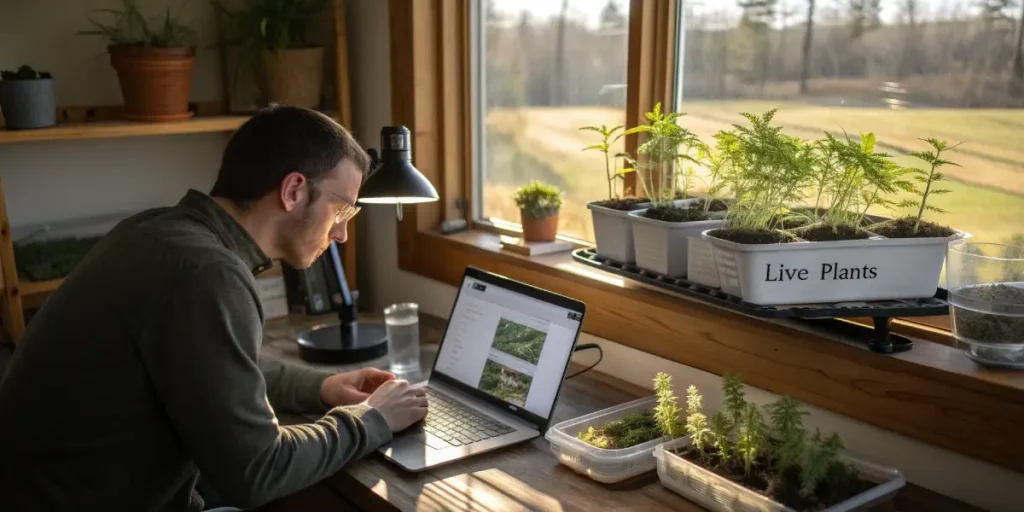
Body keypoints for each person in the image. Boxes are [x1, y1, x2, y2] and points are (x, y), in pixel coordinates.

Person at [0, 105, 429, 511]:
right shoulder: (208, 273)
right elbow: (258, 469)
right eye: (342, 210)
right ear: (294, 190)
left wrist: (319, 388)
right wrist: (372, 420)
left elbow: (205, 365)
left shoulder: (158, 231)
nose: (341, 234)